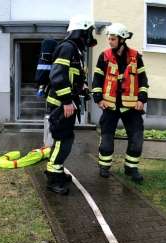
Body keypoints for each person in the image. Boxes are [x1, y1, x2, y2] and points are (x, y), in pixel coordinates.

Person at [44, 15, 97, 194]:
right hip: (61, 104)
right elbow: (57, 76)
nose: (90, 36)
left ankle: (57, 171)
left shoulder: (74, 50)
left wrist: (81, 87)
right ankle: (53, 178)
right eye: (89, 32)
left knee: (65, 139)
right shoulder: (67, 48)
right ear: (81, 31)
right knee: (63, 140)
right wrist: (67, 100)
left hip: (66, 103)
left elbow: (70, 75)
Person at [92, 23, 149, 183]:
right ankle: (104, 166)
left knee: (137, 138)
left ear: (122, 39)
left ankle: (131, 168)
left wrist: (141, 99)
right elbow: (97, 79)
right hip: (110, 105)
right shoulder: (104, 56)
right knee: (107, 138)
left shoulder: (135, 57)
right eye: (109, 38)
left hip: (132, 106)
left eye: (113, 39)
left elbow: (143, 80)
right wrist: (98, 98)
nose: (110, 41)